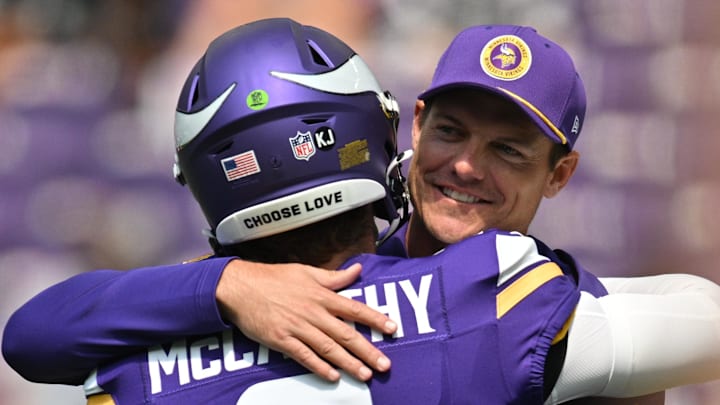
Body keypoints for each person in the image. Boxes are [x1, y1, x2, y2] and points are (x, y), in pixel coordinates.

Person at [4, 20, 720, 403]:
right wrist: (226, 288)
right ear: (400, 127)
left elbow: (34, 335)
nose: (467, 165)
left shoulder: (137, 359)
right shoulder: (507, 307)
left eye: (507, 149)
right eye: (450, 132)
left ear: (560, 174)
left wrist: (217, 288)